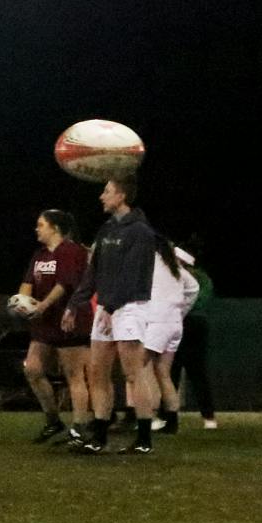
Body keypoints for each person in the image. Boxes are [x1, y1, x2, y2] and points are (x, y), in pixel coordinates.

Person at [64, 176, 160, 455]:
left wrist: (110, 307)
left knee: (132, 373)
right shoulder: (106, 230)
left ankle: (143, 439)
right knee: (97, 372)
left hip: (130, 307)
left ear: (122, 197)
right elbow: (93, 273)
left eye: (107, 191)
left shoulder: (141, 232)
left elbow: (130, 276)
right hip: (107, 307)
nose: (101, 197)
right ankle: (100, 436)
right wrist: (75, 304)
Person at [17, 209, 92, 444]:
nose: (36, 229)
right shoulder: (39, 255)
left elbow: (65, 284)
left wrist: (43, 305)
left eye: (41, 225)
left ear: (55, 228)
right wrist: (22, 302)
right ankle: (53, 420)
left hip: (69, 319)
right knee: (33, 369)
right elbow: (27, 283)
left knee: (74, 375)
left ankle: (79, 426)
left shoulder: (72, 251)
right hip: (44, 323)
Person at [140, 233, 198, 435]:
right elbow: (194, 288)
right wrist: (180, 310)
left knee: (139, 370)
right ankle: (172, 422)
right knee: (163, 373)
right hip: (174, 324)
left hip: (156, 323)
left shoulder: (150, 265)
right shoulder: (175, 268)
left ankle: (150, 418)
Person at [168, 241, 219, 430]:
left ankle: (168, 416)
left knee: (173, 371)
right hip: (198, 324)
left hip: (186, 323)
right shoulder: (204, 278)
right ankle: (208, 417)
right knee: (196, 373)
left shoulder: (182, 277)